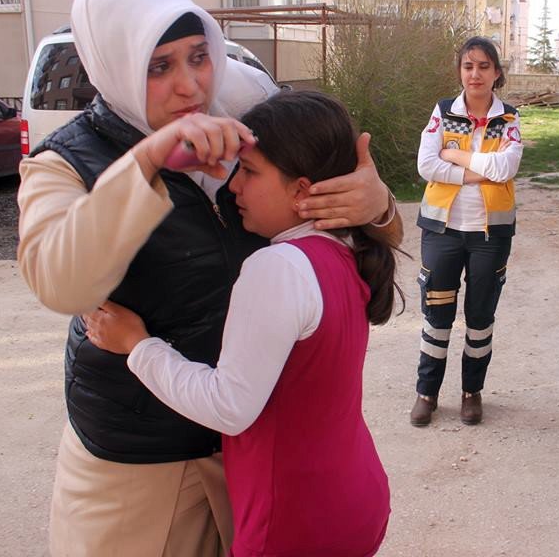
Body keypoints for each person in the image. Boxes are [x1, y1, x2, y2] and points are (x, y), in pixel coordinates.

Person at [16, 0, 399, 556]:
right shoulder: (65, 165)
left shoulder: (246, 112)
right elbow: (59, 282)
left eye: (198, 55)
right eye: (158, 67)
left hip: (252, 455)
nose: (191, 86)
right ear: (113, 65)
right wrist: (146, 163)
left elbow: (353, 232)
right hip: (142, 463)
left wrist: (376, 204)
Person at [84, 91, 395, 557]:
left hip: (295, 521)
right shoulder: (348, 245)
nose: (233, 188)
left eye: (249, 172)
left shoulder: (278, 268)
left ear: (301, 190)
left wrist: (138, 345)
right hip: (354, 496)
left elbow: (228, 406)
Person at [410, 36, 523, 427]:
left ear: (496, 73)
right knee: (436, 315)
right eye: (468, 66)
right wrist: (478, 171)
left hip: (490, 235)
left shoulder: (509, 118)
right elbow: (427, 165)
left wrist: (454, 155)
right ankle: (427, 393)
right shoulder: (443, 112)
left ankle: (471, 393)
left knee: (479, 318)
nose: (475, 74)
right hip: (443, 231)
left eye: (483, 66)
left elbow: (506, 168)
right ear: (460, 71)